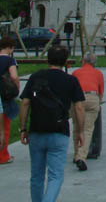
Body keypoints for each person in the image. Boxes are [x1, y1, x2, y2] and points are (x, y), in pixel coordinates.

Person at [19, 45, 85, 202]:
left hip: (37, 131)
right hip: (59, 132)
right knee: (55, 176)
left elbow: (25, 103)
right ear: (66, 62)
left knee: (36, 175)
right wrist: (81, 131)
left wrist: (23, 128)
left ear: (47, 59)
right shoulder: (71, 80)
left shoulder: (36, 77)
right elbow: (79, 107)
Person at [71, 52, 104, 171]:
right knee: (87, 129)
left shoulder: (75, 72)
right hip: (92, 97)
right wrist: (97, 104)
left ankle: (76, 155)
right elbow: (101, 93)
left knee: (76, 127)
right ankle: (81, 157)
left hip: (77, 99)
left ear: (83, 61)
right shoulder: (98, 73)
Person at [0, 36, 19, 165]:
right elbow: (14, 76)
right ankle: (3, 156)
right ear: (10, 48)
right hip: (4, 95)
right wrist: (17, 88)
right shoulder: (10, 60)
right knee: (4, 127)